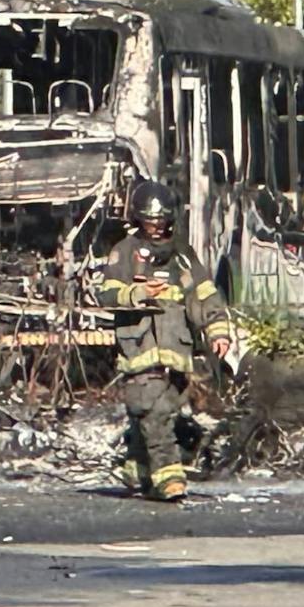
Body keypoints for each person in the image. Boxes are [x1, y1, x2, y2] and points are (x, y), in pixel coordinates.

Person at [96, 180, 236, 503]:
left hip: (176, 352)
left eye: (160, 221)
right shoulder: (125, 252)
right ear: (138, 219)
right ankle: (169, 478)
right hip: (140, 351)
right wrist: (138, 294)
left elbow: (206, 296)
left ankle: (138, 468)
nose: (156, 228)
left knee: (161, 412)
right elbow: (105, 292)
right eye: (149, 221)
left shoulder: (183, 257)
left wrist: (218, 332)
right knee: (154, 411)